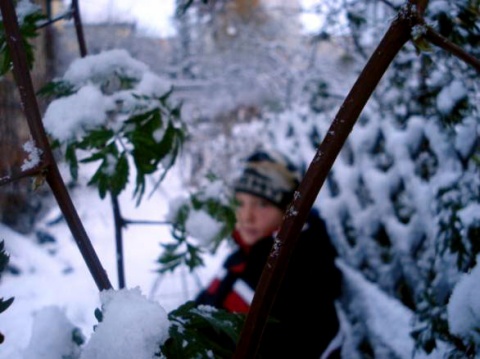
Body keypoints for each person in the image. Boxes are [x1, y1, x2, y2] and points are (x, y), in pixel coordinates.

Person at [195, 148, 343, 358]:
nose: (247, 217)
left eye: (263, 204)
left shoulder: (300, 273)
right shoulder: (246, 255)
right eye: (241, 203)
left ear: (287, 212)